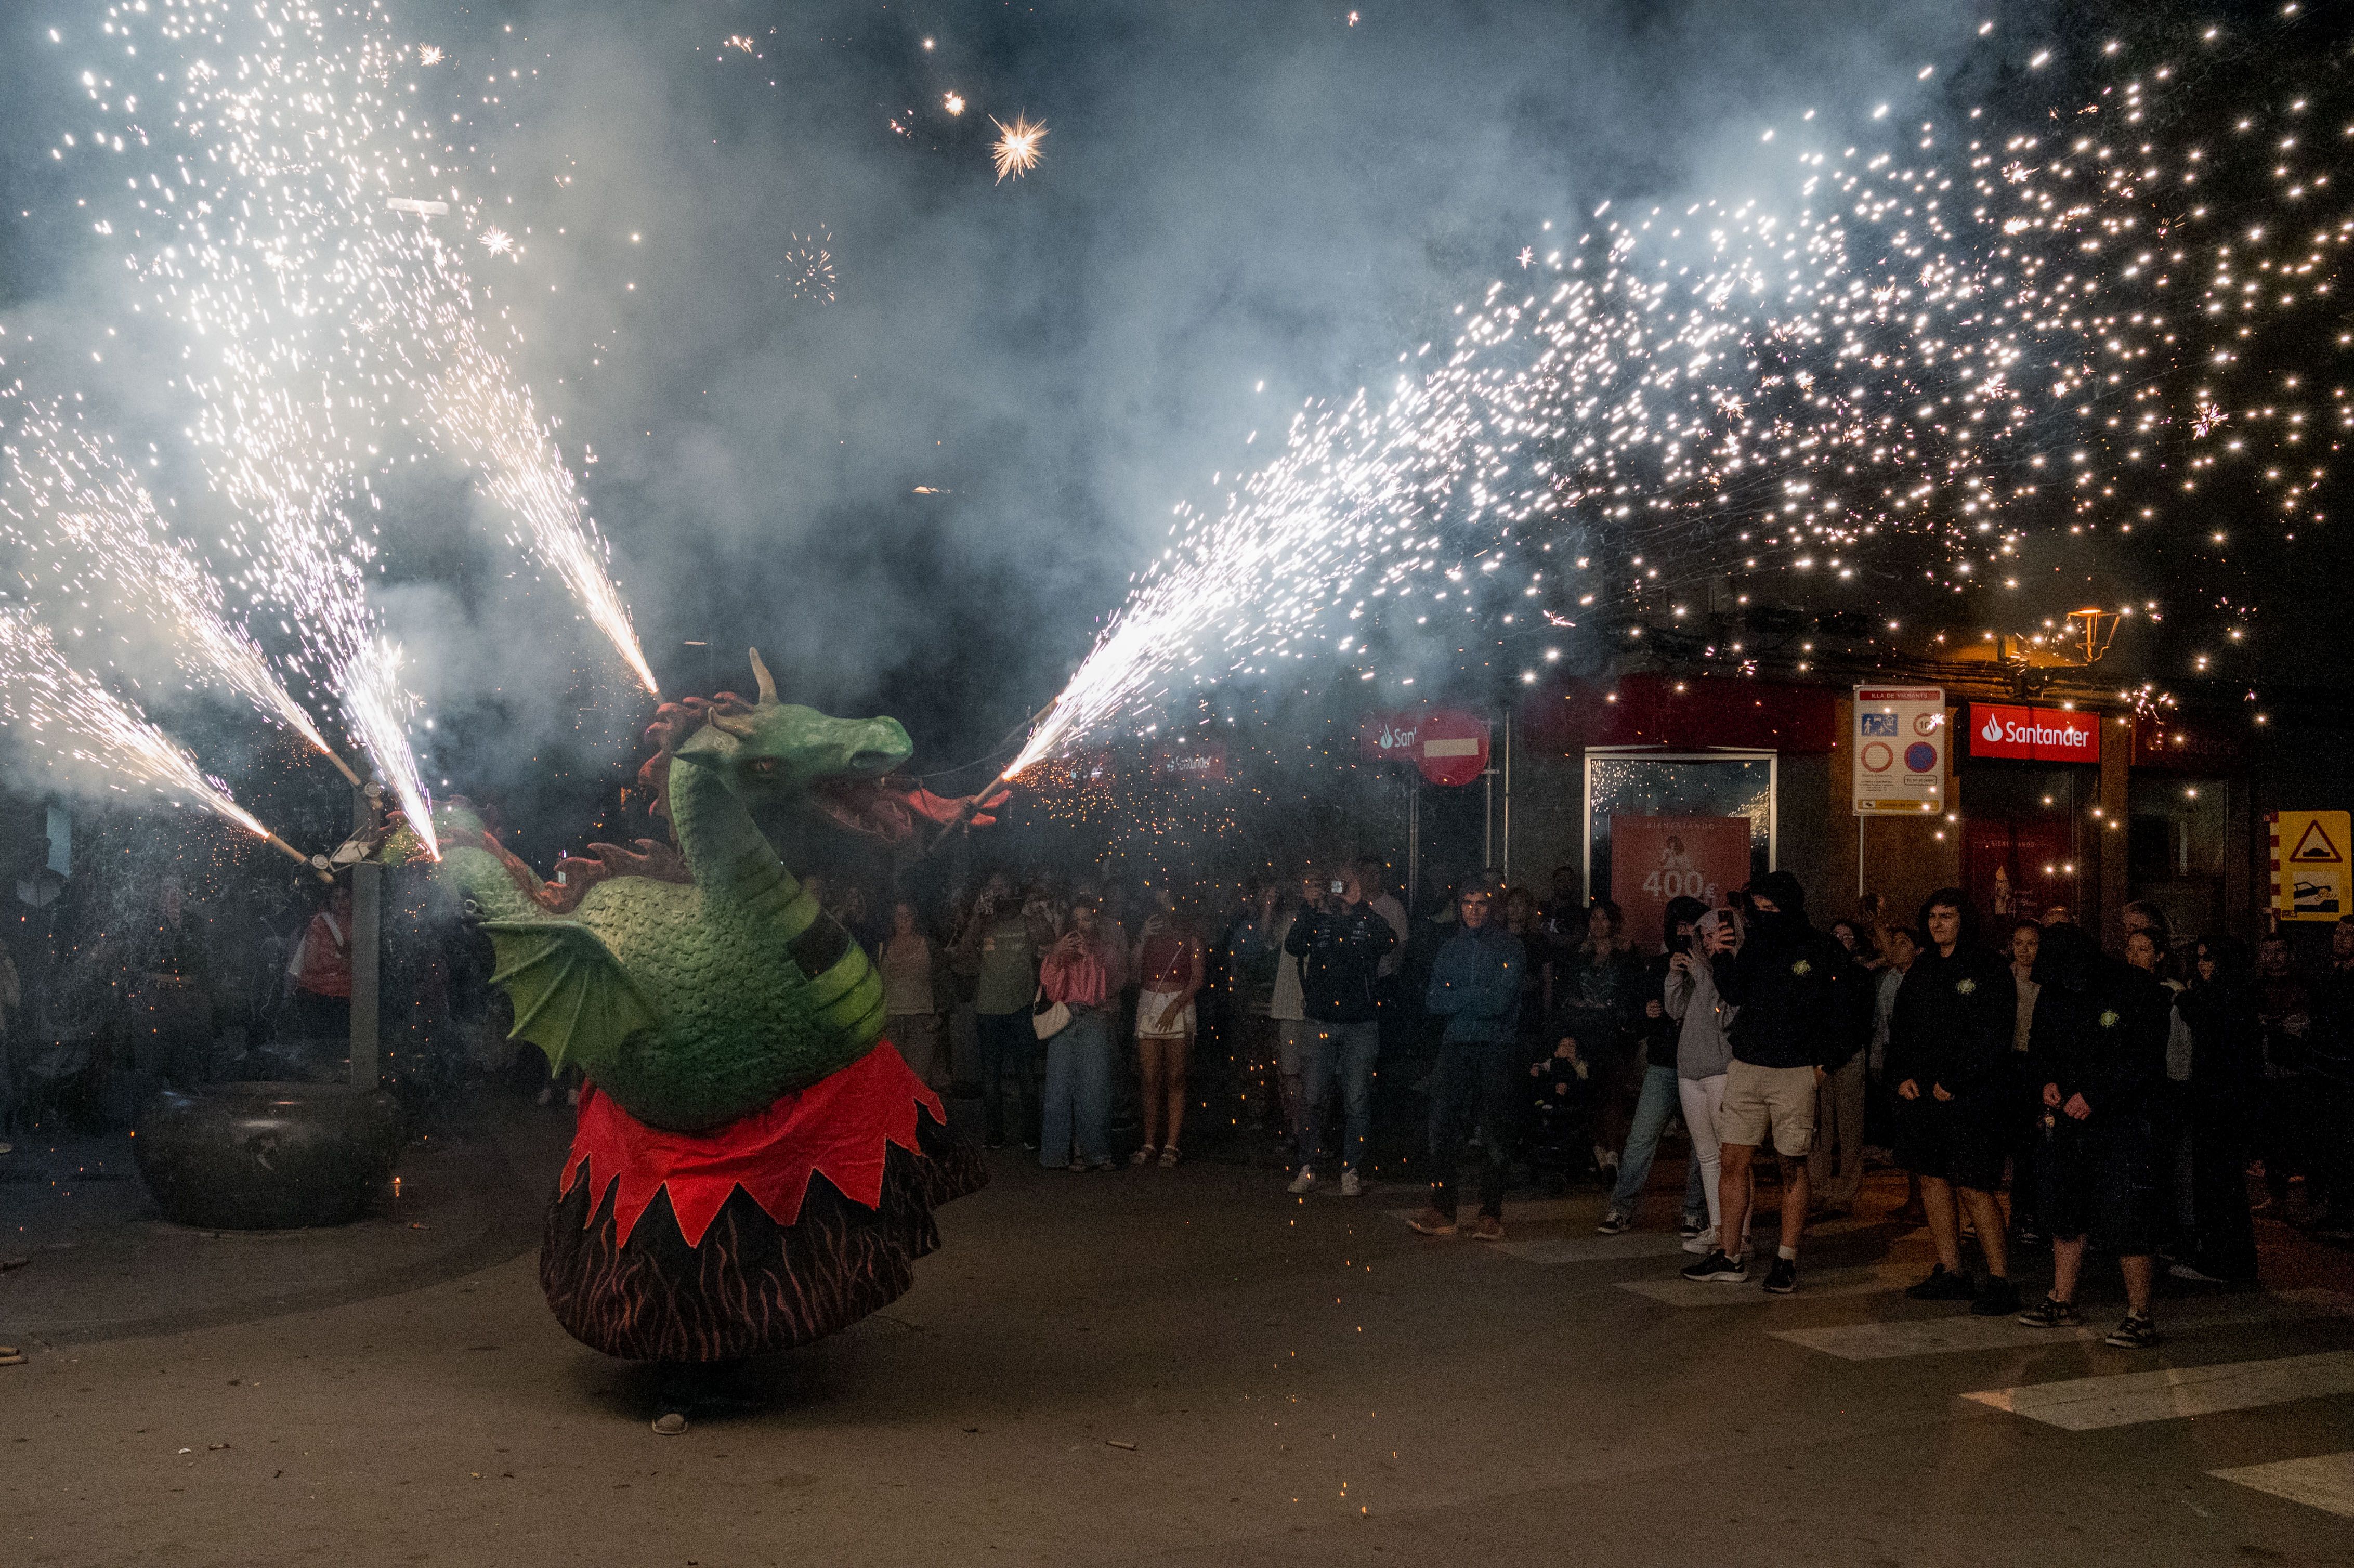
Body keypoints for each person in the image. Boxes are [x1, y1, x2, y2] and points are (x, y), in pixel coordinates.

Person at [1681, 871, 1860, 1293]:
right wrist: (1723, 955)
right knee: (1732, 1160)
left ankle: (1786, 1258)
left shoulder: (1820, 947)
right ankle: (1729, 1254)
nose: (1763, 915)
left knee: (1791, 1165)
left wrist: (1825, 1063)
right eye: (1757, 908)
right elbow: (1737, 993)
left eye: (1771, 908)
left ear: (1790, 906)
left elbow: (1851, 1007)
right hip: (1747, 1064)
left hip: (1796, 1071)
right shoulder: (1758, 941)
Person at [2017, 921, 2173, 1347]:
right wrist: (2046, 1082)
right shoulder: (2055, 990)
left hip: (2121, 1122)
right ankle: (2061, 1298)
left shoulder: (2134, 988)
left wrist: (2097, 1095)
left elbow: (2145, 1059)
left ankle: (2140, 1313)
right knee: (2064, 1207)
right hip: (2066, 1118)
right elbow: (2039, 1045)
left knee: (2127, 1212)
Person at [1889, 890, 2022, 1315]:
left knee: (1974, 1186)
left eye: (1947, 916)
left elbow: (1995, 1033)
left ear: (1964, 920)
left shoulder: (1987, 967)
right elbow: (1902, 1028)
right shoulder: (1923, 968)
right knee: (1932, 1179)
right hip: (1925, 1098)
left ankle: (2001, 1279)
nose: (1938, 923)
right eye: (1932, 916)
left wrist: (1958, 1079)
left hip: (1972, 1099)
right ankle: (1951, 1270)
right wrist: (1902, 1075)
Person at [1410, 886, 1526, 1240]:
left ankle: (1491, 1213)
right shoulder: (1450, 949)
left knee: (1494, 1130)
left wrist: (1459, 997)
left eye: (1481, 905)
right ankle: (1443, 1208)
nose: (1473, 911)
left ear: (1492, 908)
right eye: (1467, 904)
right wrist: (1477, 994)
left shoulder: (1510, 946)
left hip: (1496, 1046)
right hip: (1457, 1044)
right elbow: (1433, 1000)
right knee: (1443, 1128)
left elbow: (1501, 1003)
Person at [1598, 896, 1710, 1237]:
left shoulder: (1714, 966)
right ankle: (1621, 1208)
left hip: (1702, 1066)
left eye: (1692, 927)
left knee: (1701, 1143)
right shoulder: (1659, 965)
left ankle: (1694, 1212)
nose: (1685, 934)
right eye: (1679, 927)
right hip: (1664, 1063)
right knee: (1641, 1138)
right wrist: (1650, 1014)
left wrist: (1696, 972)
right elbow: (1645, 1015)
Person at [1286, 866, 1396, 1196]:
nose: (1339, 890)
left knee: (1357, 1100)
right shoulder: (1317, 920)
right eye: (1335, 884)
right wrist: (1309, 905)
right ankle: (1307, 1167)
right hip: (1321, 1020)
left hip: (1360, 1024)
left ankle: (1352, 1168)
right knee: (1313, 1097)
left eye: (1346, 885)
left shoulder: (1366, 919)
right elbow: (1293, 946)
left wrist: (1360, 904)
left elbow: (1389, 940)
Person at [2170, 936, 2260, 1283]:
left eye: (2209, 959)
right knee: (2219, 1182)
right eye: (2200, 959)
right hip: (2222, 1102)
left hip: (2221, 1104)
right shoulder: (2233, 995)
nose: (2202, 965)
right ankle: (2227, 1257)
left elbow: (2206, 1024)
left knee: (2219, 1182)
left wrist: (2188, 998)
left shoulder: (2225, 998)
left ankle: (2223, 1260)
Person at [1666, 906, 1750, 1259]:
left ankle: (1740, 1236)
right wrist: (1675, 977)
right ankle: (1718, 1229)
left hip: (1721, 1069)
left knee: (1731, 1156)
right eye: (1703, 935)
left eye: (1715, 933)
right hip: (1689, 1071)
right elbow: (1675, 1010)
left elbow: (1727, 1018)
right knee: (1706, 1156)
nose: (1707, 940)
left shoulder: (1734, 972)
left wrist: (1708, 975)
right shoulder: (1698, 970)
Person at [957, 874, 1049, 1150]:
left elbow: (1048, 940)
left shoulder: (1025, 920)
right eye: (992, 888)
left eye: (1002, 887)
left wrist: (1036, 914)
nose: (997, 893)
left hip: (1022, 1007)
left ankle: (1031, 1134)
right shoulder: (984, 923)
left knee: (1026, 1074)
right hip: (988, 1010)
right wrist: (976, 916)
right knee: (991, 1075)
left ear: (1012, 891)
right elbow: (963, 954)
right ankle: (995, 1134)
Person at [1038, 894, 1127, 1171]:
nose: (1080, 925)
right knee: (1059, 1090)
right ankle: (1059, 1154)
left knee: (1095, 1089)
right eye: (1075, 919)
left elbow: (1105, 989)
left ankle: (1096, 1153)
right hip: (1063, 1019)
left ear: (1095, 920)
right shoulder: (1059, 951)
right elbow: (1050, 990)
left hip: (1093, 1019)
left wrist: (1089, 957)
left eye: (1085, 919)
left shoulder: (1105, 950)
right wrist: (1056, 954)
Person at [1558, 900, 1644, 1180]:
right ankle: (1599, 1153)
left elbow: (1633, 994)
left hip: (1614, 1035)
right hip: (1585, 1034)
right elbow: (1567, 994)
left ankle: (1613, 1154)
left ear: (1613, 923)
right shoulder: (1579, 955)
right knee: (1590, 1095)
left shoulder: (1626, 955)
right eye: (1594, 918)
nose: (1598, 924)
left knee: (1613, 1094)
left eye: (1604, 919)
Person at [1131, 886, 1205, 1168]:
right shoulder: (1149, 935)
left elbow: (1198, 978)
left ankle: (1172, 1145)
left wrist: (1176, 1006)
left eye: (1169, 899)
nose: (1165, 907)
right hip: (1150, 1001)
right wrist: (1141, 939)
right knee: (1150, 1078)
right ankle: (1150, 1143)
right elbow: (1134, 973)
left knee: (1176, 1077)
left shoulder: (1191, 937)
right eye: (1160, 900)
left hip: (1179, 1003)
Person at [2005, 919, 2047, 1243]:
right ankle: (2017, 1214)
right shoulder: (2004, 979)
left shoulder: (2048, 981)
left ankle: (2036, 1213)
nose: (2024, 950)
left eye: (2031, 943)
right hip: (2011, 1065)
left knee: (2037, 1144)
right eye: (2019, 943)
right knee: (2017, 1144)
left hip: (2038, 1064)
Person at [880, 900, 949, 1090]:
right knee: (893, 1084)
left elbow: (944, 982)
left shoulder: (929, 946)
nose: (903, 921)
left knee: (919, 1084)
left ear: (915, 918)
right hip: (891, 1023)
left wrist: (940, 1017)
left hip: (921, 1024)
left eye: (907, 916)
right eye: (898, 917)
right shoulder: (882, 948)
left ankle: (920, 1120)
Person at [286, 883, 354, 1049]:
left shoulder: (361, 924)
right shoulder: (319, 924)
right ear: (329, 901)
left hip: (348, 998)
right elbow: (311, 963)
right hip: (319, 998)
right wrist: (341, 964)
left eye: (345, 897)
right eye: (335, 898)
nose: (340, 903)